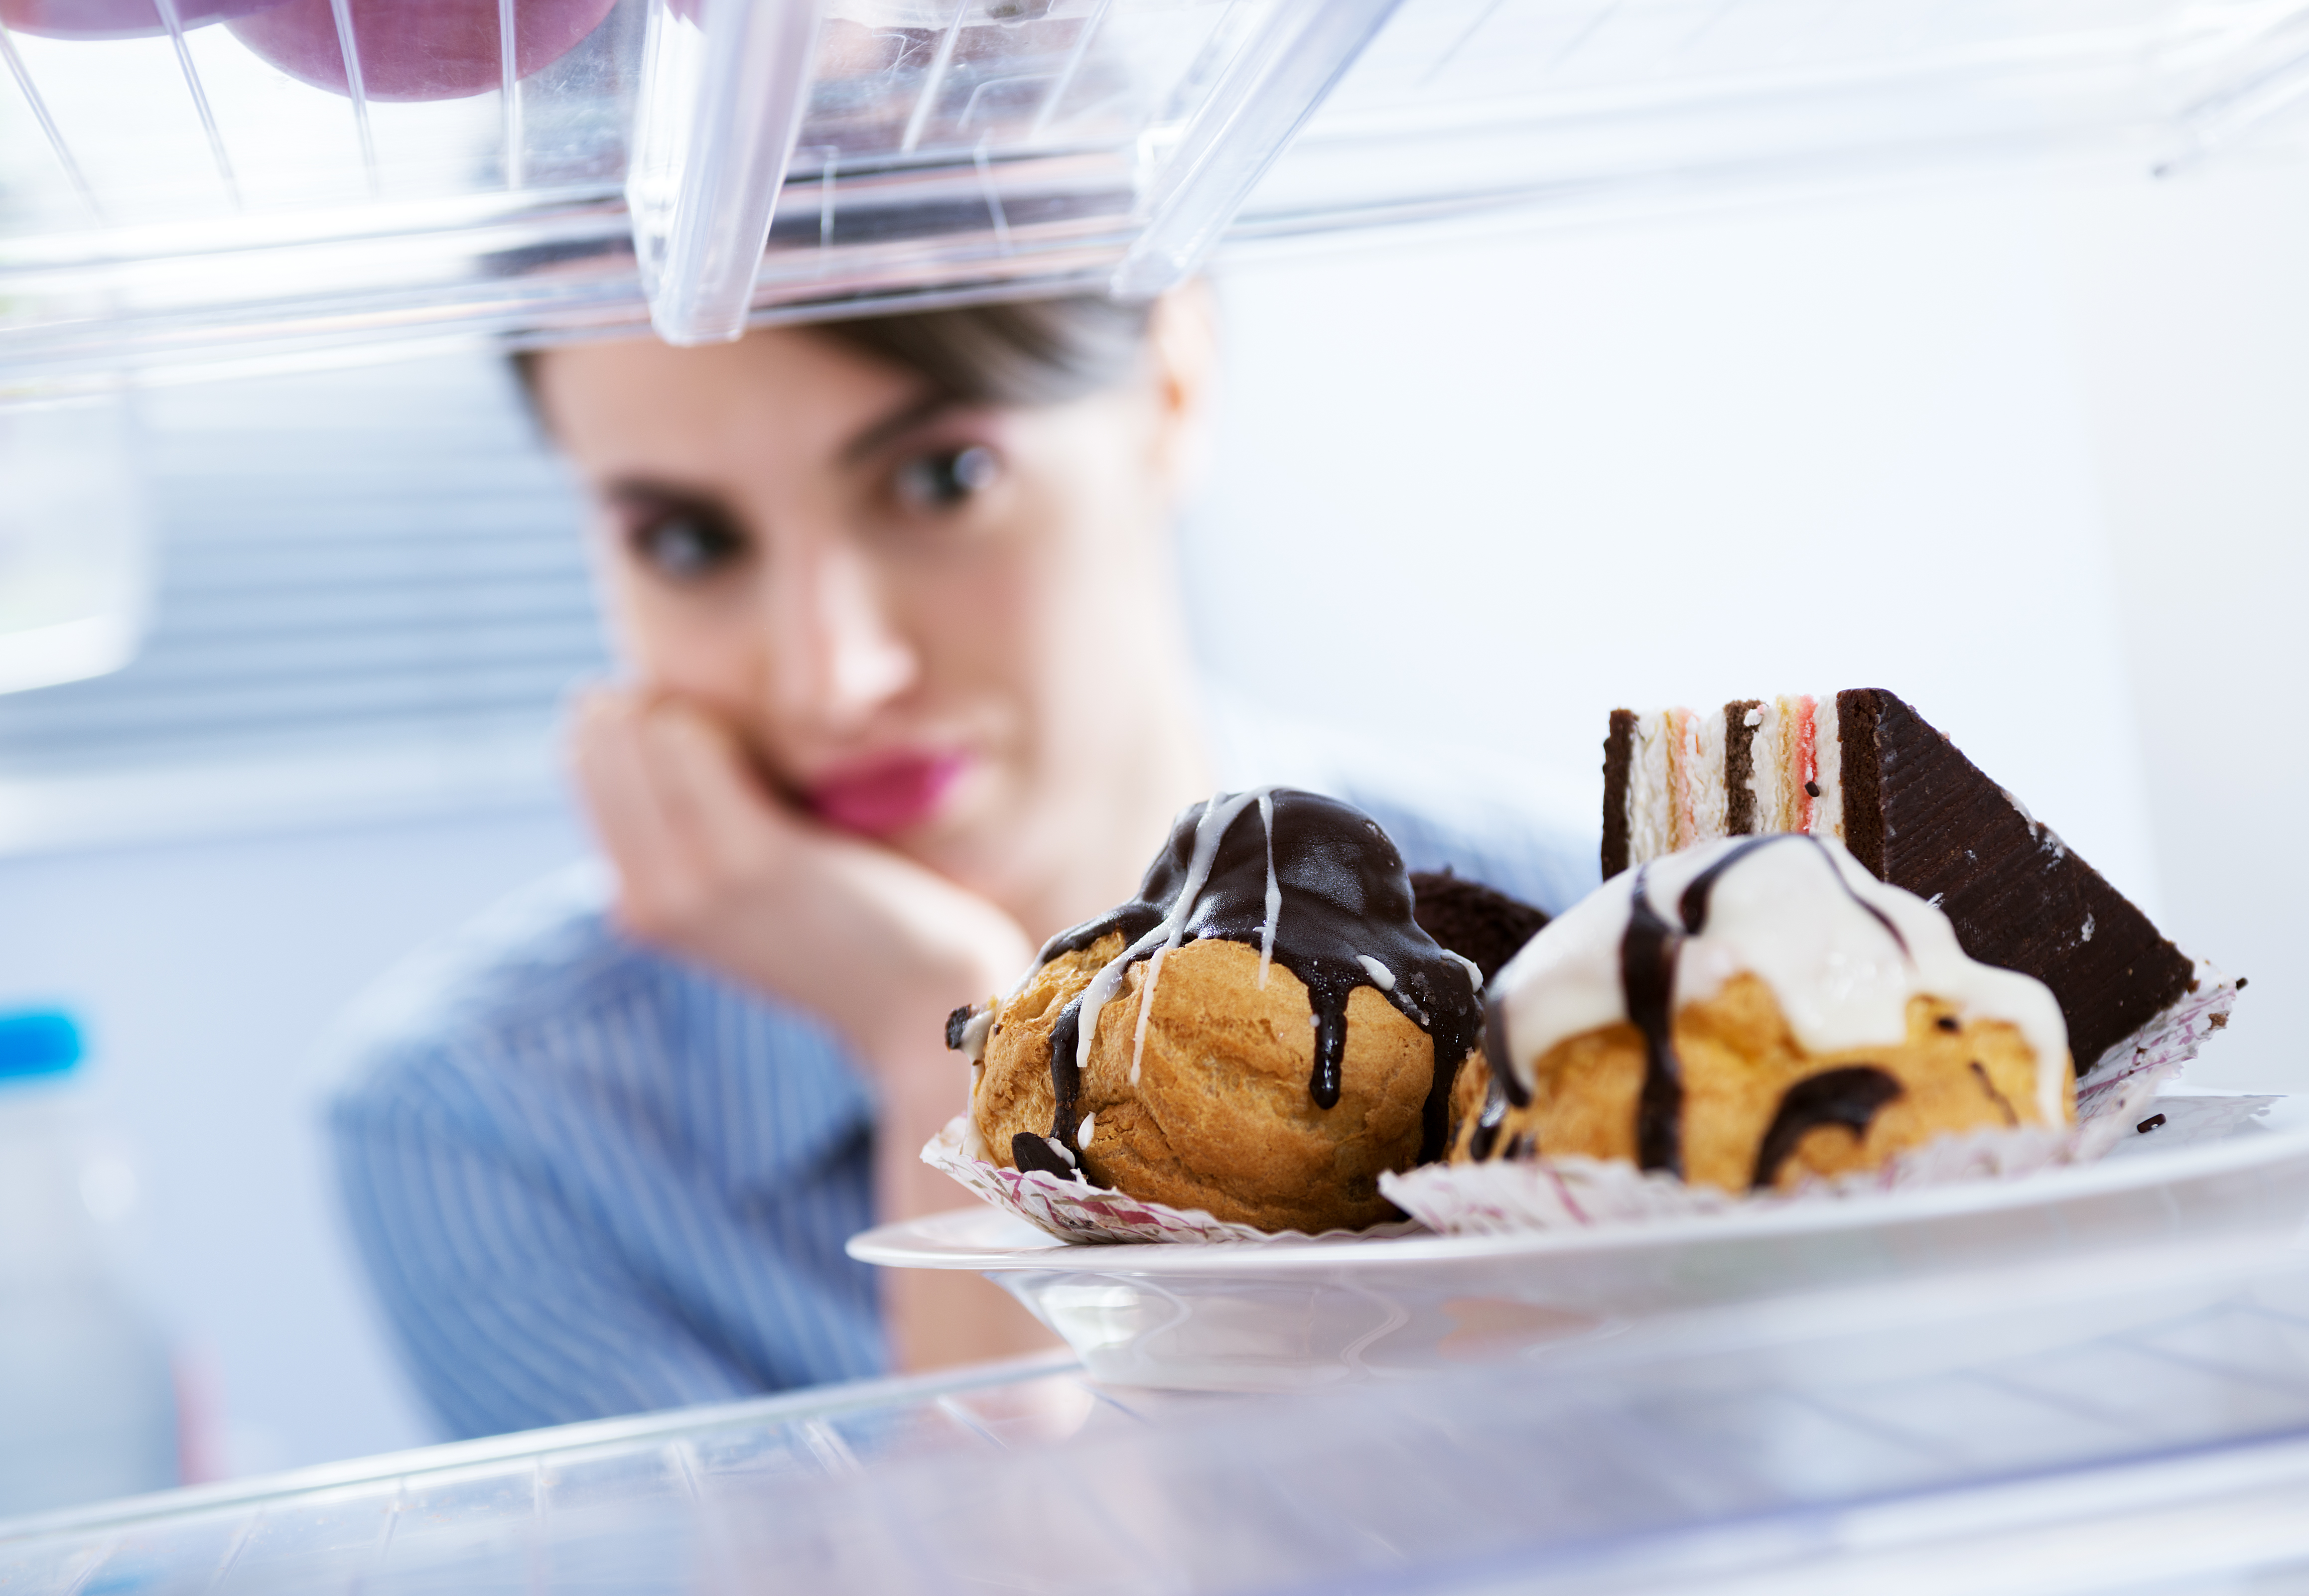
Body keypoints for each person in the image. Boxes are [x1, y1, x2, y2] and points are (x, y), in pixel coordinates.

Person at [327, 289, 1601, 1441]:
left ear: (1171, 385)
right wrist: (929, 1031)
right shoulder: (489, 1126)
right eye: (688, 543)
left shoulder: (1606, 925)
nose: (837, 674)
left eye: (945, 477)